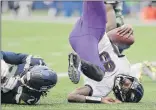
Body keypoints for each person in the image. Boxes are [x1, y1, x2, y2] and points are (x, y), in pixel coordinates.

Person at [68, 1, 107, 84]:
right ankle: (79, 63)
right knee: (99, 73)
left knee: (99, 72)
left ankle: (80, 63)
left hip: (83, 34)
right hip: (87, 36)